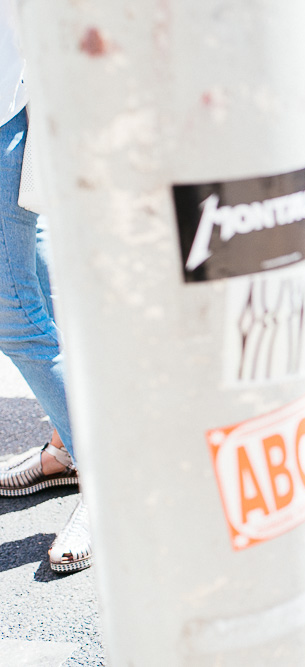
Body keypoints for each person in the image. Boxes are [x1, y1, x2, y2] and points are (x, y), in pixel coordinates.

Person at [0, 0, 89, 574]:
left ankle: (112, 477)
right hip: (21, 81)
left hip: (13, 91)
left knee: (10, 307)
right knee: (34, 266)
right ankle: (69, 446)